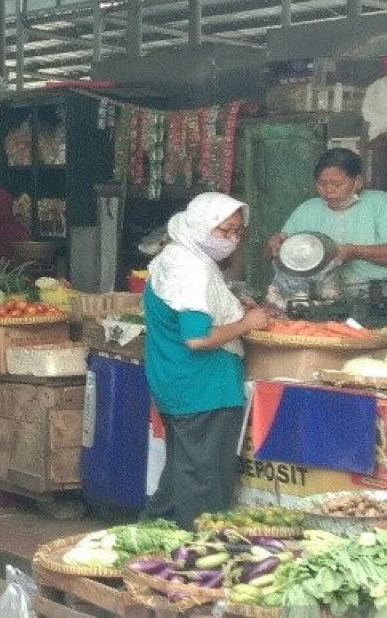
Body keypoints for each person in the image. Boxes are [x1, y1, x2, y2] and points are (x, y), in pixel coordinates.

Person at [142, 192, 270, 529]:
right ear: (200, 226)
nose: (230, 240)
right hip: (203, 388)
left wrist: (230, 304)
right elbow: (197, 338)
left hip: (176, 383)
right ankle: (195, 563)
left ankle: (146, 545)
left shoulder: (175, 256)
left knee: (180, 476)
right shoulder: (192, 269)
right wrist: (247, 323)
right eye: (223, 230)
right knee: (204, 485)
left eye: (237, 232)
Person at [266, 148, 387, 290]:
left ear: (357, 181)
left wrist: (357, 251)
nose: (329, 190)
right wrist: (275, 245)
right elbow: (274, 254)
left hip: (372, 294)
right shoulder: (307, 209)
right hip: (319, 294)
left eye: (337, 184)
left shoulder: (379, 203)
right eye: (322, 183)